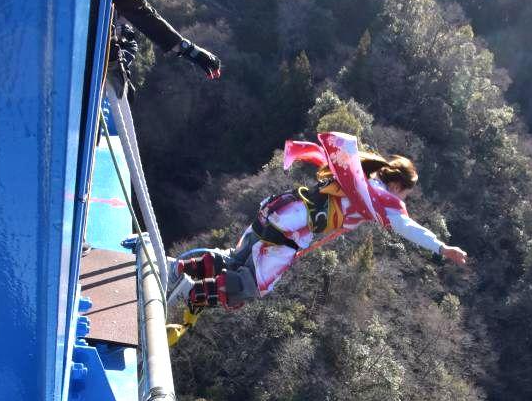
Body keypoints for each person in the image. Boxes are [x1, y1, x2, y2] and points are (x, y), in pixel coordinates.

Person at [173, 132, 467, 314]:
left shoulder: (359, 173)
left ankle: (185, 269)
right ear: (398, 186)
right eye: (406, 192)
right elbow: (409, 228)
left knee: (236, 260)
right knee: (253, 285)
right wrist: (442, 247)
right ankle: (192, 293)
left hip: (276, 209)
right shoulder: (382, 201)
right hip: (290, 232)